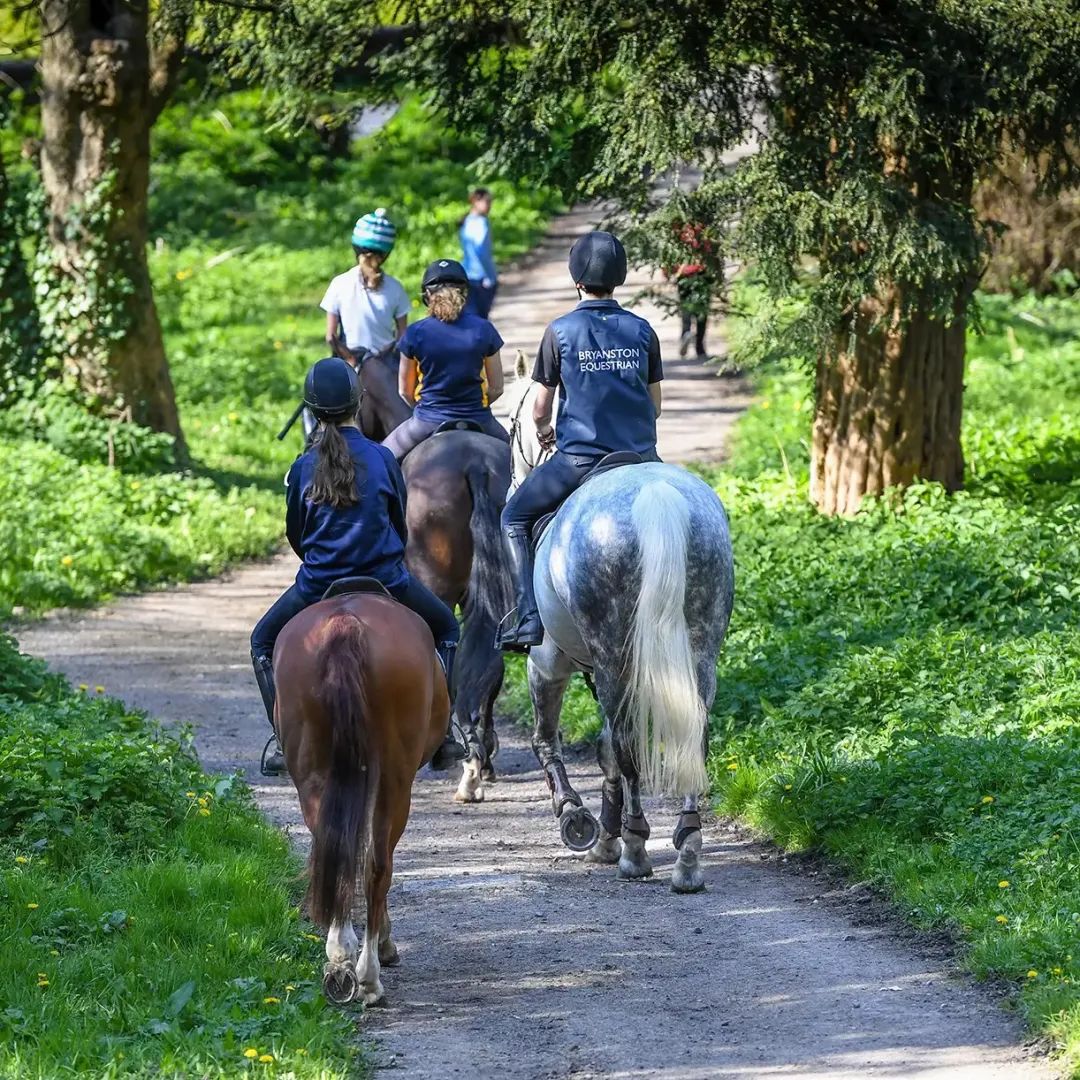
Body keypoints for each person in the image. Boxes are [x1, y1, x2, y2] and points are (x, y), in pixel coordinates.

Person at [251, 357, 465, 776]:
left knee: (261, 642)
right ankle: (445, 734)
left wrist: (323, 561)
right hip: (387, 579)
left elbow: (297, 534)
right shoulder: (384, 458)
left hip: (317, 583)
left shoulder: (300, 468)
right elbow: (399, 525)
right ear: (358, 402)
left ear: (311, 410)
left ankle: (282, 739)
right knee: (448, 629)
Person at [497, 231, 663, 650]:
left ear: (577, 280)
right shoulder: (643, 331)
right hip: (642, 459)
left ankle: (530, 618)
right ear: (619, 279)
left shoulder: (560, 331)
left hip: (581, 461)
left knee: (513, 518)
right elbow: (655, 406)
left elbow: (539, 407)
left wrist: (544, 431)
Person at [382, 259, 511, 460]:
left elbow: (405, 391)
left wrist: (426, 409)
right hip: (478, 417)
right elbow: (496, 388)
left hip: (427, 420)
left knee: (382, 458)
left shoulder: (415, 333)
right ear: (464, 293)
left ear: (427, 295)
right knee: (519, 464)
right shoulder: (484, 330)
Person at [321, 208, 410, 365]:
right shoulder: (396, 288)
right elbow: (403, 336)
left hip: (349, 361)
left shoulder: (339, 284)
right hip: (386, 363)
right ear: (386, 254)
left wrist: (350, 359)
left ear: (356, 248)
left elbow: (331, 336)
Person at [458, 188, 498, 318]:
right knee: (482, 318)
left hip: (467, 275)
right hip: (482, 278)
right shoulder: (481, 223)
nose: (489, 206)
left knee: (471, 317)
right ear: (476, 201)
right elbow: (481, 251)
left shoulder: (466, 221)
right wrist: (491, 276)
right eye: (487, 202)